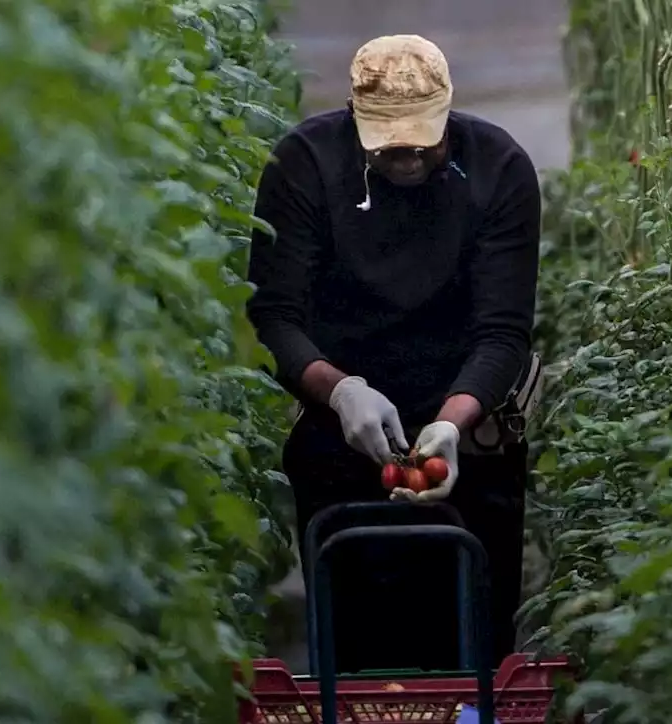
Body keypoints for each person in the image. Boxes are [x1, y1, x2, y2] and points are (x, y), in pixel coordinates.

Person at [245, 34, 541, 673]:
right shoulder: (304, 166)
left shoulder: (499, 169)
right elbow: (276, 315)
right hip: (338, 433)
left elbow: (503, 331)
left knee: (470, 639)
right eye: (388, 144)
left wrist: (451, 422)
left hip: (469, 433)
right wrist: (341, 391)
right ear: (354, 117)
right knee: (357, 642)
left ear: (448, 113)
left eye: (421, 140)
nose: (407, 156)